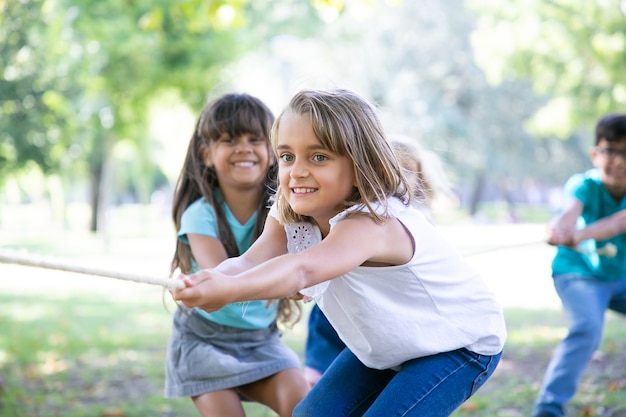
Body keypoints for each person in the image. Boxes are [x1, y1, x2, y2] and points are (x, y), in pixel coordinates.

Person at [172, 88, 506, 417]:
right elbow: (249, 261)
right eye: (287, 156)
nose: (297, 171)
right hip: (387, 346)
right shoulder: (291, 210)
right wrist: (212, 278)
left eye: (318, 157)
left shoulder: (373, 222)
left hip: (457, 345)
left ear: (361, 165)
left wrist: (228, 291)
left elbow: (302, 269)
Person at [164, 93, 310, 417]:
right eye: (229, 139)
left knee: (303, 404)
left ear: (273, 153)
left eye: (255, 139)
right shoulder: (200, 214)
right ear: (207, 154)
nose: (243, 147)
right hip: (205, 342)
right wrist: (285, 280)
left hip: (261, 341)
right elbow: (222, 279)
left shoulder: (288, 210)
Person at [302, 136, 455, 386]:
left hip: (383, 304)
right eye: (391, 169)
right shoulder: (359, 211)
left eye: (408, 171)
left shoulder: (416, 218)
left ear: (420, 178)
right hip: (344, 297)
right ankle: (318, 371)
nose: (397, 178)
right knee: (327, 329)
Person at [531, 114, 626, 417]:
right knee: (586, 326)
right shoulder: (584, 184)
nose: (620, 162)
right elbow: (570, 210)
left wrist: (580, 234)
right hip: (579, 274)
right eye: (612, 151)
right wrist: (559, 228)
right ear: (596, 154)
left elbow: (617, 223)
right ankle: (548, 408)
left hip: (620, 276)